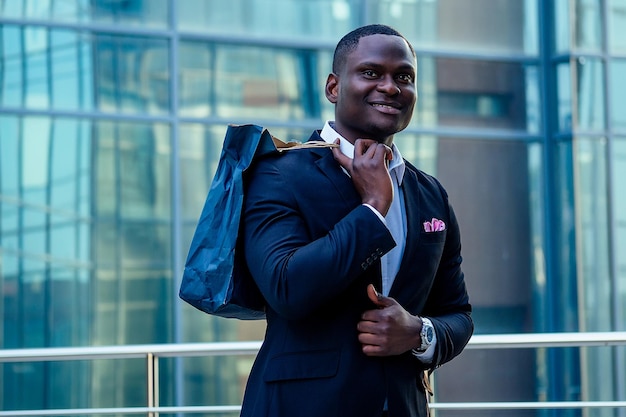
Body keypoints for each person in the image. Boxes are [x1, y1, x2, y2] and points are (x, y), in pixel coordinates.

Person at [240, 24, 473, 417]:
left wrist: (419, 333)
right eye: (370, 73)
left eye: (404, 77)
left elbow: (459, 313)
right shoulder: (278, 173)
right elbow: (286, 287)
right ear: (334, 88)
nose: (390, 86)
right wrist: (373, 207)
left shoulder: (431, 194)